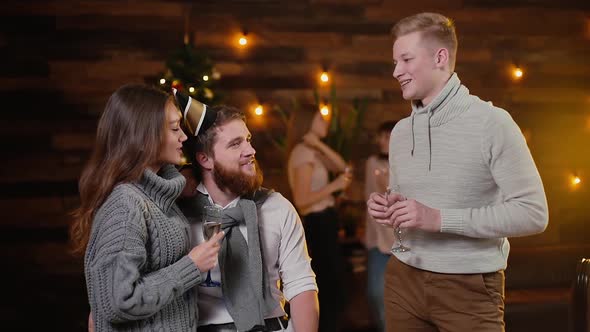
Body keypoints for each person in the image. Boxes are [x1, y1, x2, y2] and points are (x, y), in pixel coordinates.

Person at [367, 12, 548, 332]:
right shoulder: (400, 132)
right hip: (402, 279)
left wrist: (439, 219)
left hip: (469, 287)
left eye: (406, 59)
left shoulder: (492, 123)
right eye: (395, 62)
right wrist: (387, 204)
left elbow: (533, 213)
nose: (396, 71)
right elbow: (409, 198)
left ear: (440, 57)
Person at [70, 84, 224, 332]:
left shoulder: (159, 197)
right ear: (143, 138)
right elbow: (119, 300)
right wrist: (191, 267)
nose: (183, 137)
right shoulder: (125, 204)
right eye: (174, 129)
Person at [175, 91, 319, 332]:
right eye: (235, 144)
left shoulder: (277, 207)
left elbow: (302, 285)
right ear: (205, 159)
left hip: (268, 325)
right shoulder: (178, 212)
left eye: (248, 139)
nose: (250, 150)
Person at [286, 107, 352, 332]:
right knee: (330, 292)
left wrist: (318, 144)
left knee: (335, 290)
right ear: (308, 122)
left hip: (326, 222)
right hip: (318, 224)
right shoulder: (303, 153)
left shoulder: (311, 150)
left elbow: (342, 166)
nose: (325, 122)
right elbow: (302, 200)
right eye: (320, 118)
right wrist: (333, 187)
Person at [363, 120, 397, 332]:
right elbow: (367, 198)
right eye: (380, 136)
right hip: (377, 240)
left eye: (387, 136)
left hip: (401, 241)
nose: (381, 141)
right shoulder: (372, 163)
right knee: (375, 292)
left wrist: (388, 185)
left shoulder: (406, 164)